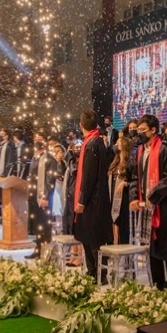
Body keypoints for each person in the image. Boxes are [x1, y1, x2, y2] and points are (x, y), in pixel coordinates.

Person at [130, 114, 167, 290]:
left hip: (163, 206)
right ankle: (157, 285)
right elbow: (136, 177)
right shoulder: (140, 151)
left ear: (153, 131)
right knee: (151, 247)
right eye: (138, 130)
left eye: (143, 130)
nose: (139, 133)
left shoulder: (165, 149)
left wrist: (153, 196)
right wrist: (134, 197)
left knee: (166, 245)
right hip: (147, 207)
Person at [73, 110, 114, 280]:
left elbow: (88, 175)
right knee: (87, 235)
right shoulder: (96, 141)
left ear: (81, 125)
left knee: (93, 237)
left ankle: (98, 273)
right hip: (96, 196)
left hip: (92, 199)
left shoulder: (92, 144)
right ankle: (93, 272)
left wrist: (82, 200)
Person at [26, 139, 58, 259]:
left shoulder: (49, 159)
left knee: (45, 225)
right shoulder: (35, 157)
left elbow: (50, 180)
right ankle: (38, 249)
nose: (37, 141)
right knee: (37, 225)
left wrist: (45, 196)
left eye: (40, 139)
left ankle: (46, 253)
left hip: (44, 197)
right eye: (36, 139)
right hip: (34, 196)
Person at [109, 136, 133, 245]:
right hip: (113, 197)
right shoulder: (116, 161)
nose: (116, 145)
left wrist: (124, 183)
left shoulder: (130, 162)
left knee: (123, 230)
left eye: (118, 143)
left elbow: (134, 181)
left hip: (124, 199)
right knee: (114, 230)